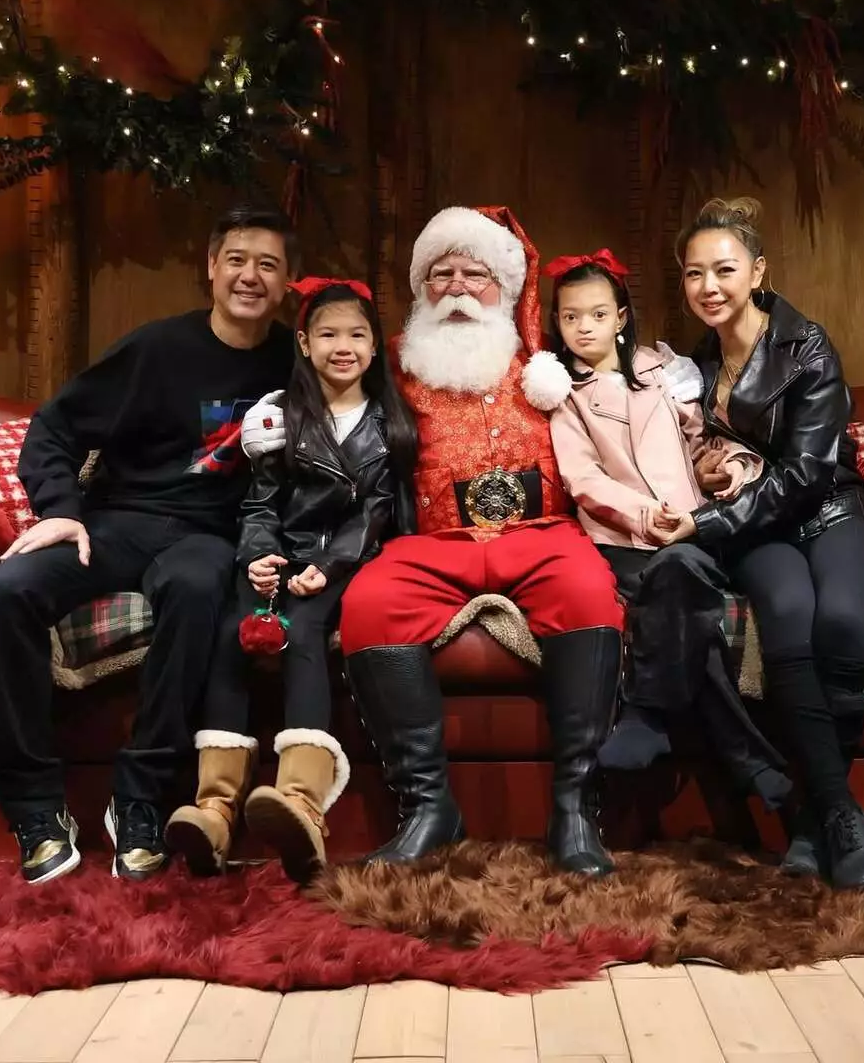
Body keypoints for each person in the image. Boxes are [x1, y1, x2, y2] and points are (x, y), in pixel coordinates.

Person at [246, 205, 634, 876]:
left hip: (541, 532)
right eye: (441, 273)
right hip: (434, 539)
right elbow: (326, 378)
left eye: (473, 274)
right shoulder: (393, 360)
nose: (456, 288)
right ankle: (428, 808)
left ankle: (575, 809)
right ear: (422, 287)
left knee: (589, 593)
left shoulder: (546, 356)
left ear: (503, 285)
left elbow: (626, 366)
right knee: (371, 605)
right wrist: (268, 416)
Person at [0, 205, 294, 884]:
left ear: (287, 281)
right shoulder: (157, 349)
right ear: (211, 268)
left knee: (198, 586)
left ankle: (140, 797)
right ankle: (35, 808)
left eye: (268, 264)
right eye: (237, 260)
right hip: (117, 523)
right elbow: (54, 430)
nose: (250, 276)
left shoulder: (297, 362)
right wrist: (61, 512)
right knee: (6, 592)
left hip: (209, 537)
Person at [645, 196, 864, 891]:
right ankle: (841, 815)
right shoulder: (693, 366)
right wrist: (701, 476)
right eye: (694, 273)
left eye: (724, 270)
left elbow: (809, 474)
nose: (709, 287)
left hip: (828, 509)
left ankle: (812, 819)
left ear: (758, 272)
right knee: (786, 617)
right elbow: (693, 451)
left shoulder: (806, 346)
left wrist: (707, 523)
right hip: (757, 529)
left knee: (840, 625)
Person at [165, 278, 416, 882]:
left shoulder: (388, 424)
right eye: (328, 335)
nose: (342, 347)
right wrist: (258, 554)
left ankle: (302, 802)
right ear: (304, 343)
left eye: (356, 335)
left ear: (374, 345)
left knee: (302, 632)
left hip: (345, 561)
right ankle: (215, 809)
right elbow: (260, 504)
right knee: (234, 635)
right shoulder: (279, 417)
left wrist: (326, 568)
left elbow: (375, 513)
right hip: (281, 554)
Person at [546, 250, 792, 813]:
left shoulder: (662, 374)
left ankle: (647, 714)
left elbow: (704, 442)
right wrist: (643, 513)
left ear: (620, 317)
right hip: (621, 541)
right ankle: (749, 758)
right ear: (557, 323)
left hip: (689, 529)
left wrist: (728, 468)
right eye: (570, 317)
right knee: (681, 598)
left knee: (683, 570)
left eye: (597, 314)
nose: (585, 328)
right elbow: (583, 478)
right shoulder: (564, 395)